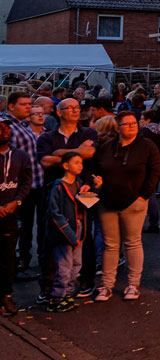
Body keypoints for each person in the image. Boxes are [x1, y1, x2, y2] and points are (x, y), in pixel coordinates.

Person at [92, 111, 160, 302]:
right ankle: (106, 285)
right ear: (118, 127)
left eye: (134, 123)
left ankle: (133, 284)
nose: (132, 126)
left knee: (132, 242)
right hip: (107, 201)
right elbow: (95, 167)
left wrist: (143, 196)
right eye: (127, 124)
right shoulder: (106, 148)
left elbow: (155, 171)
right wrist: (95, 180)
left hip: (134, 203)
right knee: (110, 245)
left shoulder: (147, 146)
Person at [35, 97, 97, 303]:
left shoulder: (88, 133)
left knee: (83, 238)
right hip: (54, 194)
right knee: (50, 239)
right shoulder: (46, 137)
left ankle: (82, 281)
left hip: (81, 195)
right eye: (69, 108)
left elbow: (90, 153)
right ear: (59, 112)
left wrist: (60, 154)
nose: (74, 111)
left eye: (77, 108)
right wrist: (78, 154)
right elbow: (45, 161)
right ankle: (48, 285)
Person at [45, 151, 94, 312]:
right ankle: (57, 297)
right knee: (64, 265)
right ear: (66, 166)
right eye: (76, 162)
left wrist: (96, 188)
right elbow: (54, 213)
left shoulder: (79, 184)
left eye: (81, 162)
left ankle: (67, 293)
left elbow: (88, 203)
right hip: (64, 232)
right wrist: (69, 234)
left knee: (76, 264)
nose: (80, 165)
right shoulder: (58, 187)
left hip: (79, 227)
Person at [2, 91, 41, 276]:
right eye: (24, 104)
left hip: (35, 184)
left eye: (29, 104)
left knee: (27, 226)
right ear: (11, 106)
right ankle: (20, 264)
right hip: (21, 189)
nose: (28, 107)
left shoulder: (23, 125)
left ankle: (23, 260)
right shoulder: (9, 128)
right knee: (21, 226)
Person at [0, 122, 32, 317]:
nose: (4, 130)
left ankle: (6, 294)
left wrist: (17, 201)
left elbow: (26, 181)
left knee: (8, 256)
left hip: (11, 214)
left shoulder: (20, 156)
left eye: (6, 127)